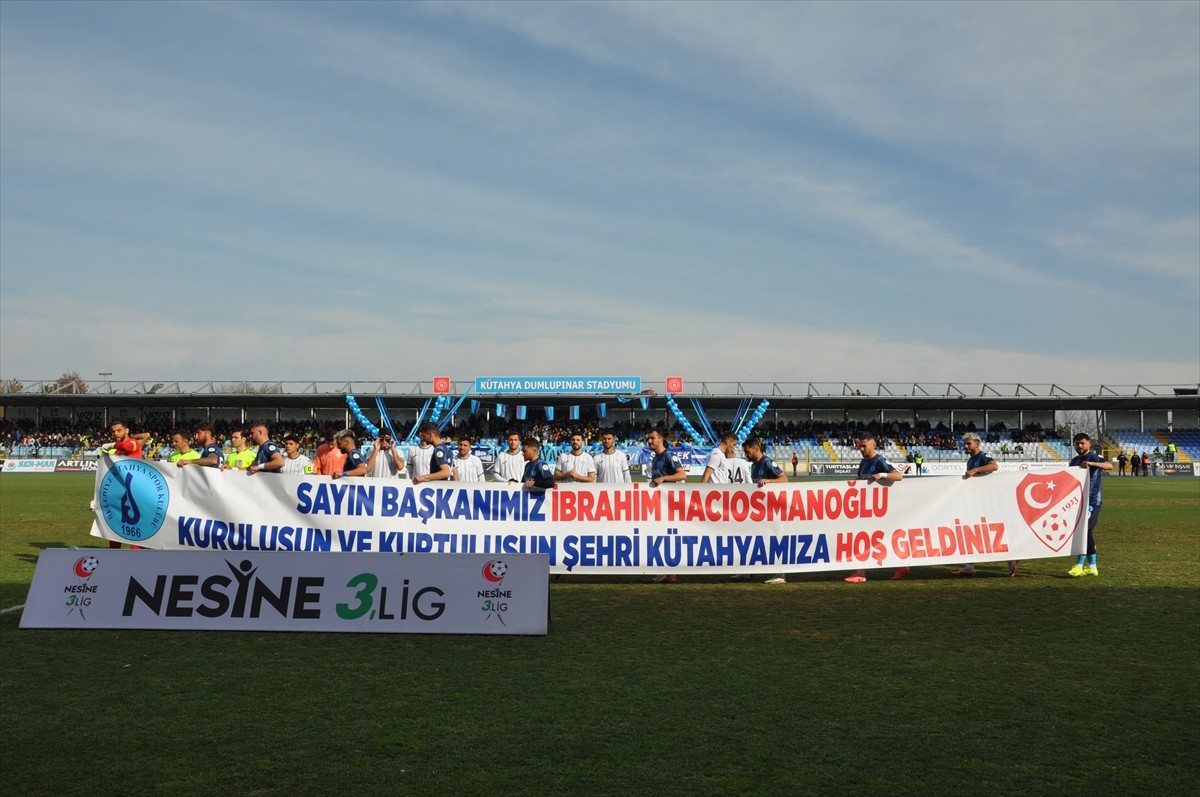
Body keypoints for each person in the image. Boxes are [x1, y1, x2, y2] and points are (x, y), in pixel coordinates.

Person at [951, 432, 1018, 577]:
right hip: (976, 502)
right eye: (965, 444)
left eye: (969, 443)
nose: (966, 446)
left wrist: (975, 470)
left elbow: (994, 466)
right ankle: (969, 567)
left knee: (996, 532)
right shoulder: (971, 460)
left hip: (987, 503)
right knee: (970, 532)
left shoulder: (982, 457)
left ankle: (1011, 558)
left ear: (977, 443)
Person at [845, 433, 904, 583]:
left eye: (864, 446)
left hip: (879, 509)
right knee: (873, 538)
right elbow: (861, 479)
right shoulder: (864, 462)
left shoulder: (880, 460)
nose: (861, 448)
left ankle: (861, 573)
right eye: (860, 445)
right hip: (866, 508)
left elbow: (898, 476)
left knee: (863, 538)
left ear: (874, 446)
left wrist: (882, 474)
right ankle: (902, 566)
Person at [744, 437, 789, 584]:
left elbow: (784, 479)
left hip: (773, 510)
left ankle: (780, 574)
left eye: (748, 451)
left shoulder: (767, 462)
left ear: (756, 449)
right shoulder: (754, 465)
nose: (746, 454)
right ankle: (749, 571)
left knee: (775, 539)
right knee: (756, 539)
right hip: (761, 511)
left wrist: (769, 481)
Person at [1068, 433, 1113, 577]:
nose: (1079, 446)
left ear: (1089, 444)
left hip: (1093, 501)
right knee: (1085, 532)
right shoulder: (1074, 460)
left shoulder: (1094, 456)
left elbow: (1109, 466)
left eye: (1082, 443)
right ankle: (1092, 567)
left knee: (1084, 530)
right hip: (1078, 502)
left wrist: (1092, 464)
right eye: (1076, 444)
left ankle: (1079, 565)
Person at [646, 428, 686, 583]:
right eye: (648, 439)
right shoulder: (655, 459)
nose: (649, 441)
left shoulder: (669, 455)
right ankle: (669, 572)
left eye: (652, 438)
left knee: (668, 536)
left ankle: (670, 570)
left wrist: (664, 479)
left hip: (671, 504)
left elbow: (682, 474)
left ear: (661, 439)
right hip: (660, 505)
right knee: (661, 537)